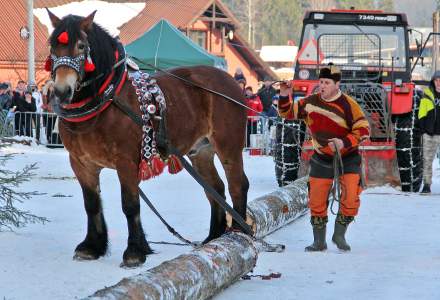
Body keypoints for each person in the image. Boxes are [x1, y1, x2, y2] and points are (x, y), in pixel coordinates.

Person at [277, 64, 370, 252]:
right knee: (317, 200)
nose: (322, 86)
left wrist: (344, 142)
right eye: (320, 82)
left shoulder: (349, 104)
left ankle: (339, 234)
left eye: (327, 83)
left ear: (337, 84)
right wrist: (285, 94)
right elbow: (286, 112)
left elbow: (364, 129)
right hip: (322, 156)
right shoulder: (310, 102)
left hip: (348, 157)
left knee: (351, 197)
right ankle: (319, 241)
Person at [417, 71, 440, 194]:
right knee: (427, 160)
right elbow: (421, 114)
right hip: (430, 134)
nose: (439, 82)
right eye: (436, 80)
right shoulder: (427, 95)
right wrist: (424, 129)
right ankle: (426, 185)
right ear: (433, 81)